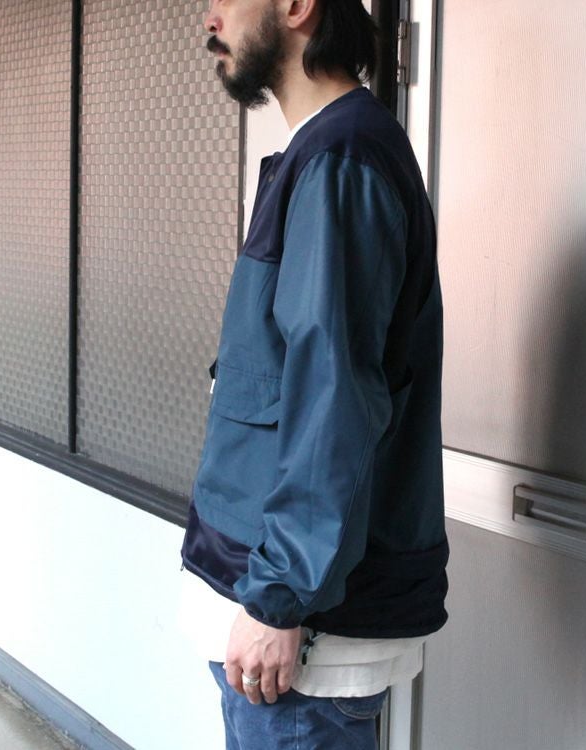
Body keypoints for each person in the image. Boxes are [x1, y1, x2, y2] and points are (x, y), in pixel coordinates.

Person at [178, 1, 448, 747]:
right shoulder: (323, 152)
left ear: (298, 6)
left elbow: (334, 395)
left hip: (299, 638)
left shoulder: (341, 160)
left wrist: (278, 598)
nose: (209, 19)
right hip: (280, 614)